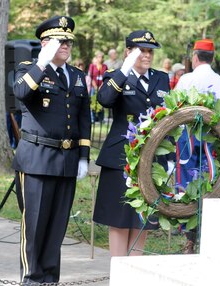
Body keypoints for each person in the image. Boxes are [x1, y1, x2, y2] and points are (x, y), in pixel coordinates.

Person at [12, 15, 91, 284]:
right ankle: (32, 279)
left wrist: (83, 157)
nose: (66, 46)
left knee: (57, 227)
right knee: (35, 226)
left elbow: (84, 119)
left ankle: (49, 278)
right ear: (45, 44)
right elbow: (21, 93)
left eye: (68, 41)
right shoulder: (29, 69)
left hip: (66, 161)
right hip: (36, 159)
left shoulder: (77, 76)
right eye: (59, 42)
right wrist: (42, 61)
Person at [93, 30, 170, 256]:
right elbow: (104, 100)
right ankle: (119, 271)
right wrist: (124, 69)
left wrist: (171, 157)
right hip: (120, 156)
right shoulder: (115, 76)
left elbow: (169, 116)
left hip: (152, 157)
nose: (147, 56)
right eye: (141, 51)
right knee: (119, 217)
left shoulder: (161, 78)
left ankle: (133, 273)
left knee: (142, 217)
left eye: (150, 51)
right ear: (128, 52)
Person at [174, 39, 220, 254]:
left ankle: (187, 229)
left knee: (186, 180)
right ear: (212, 58)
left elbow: (174, 105)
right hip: (211, 137)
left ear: (195, 57)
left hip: (188, 136)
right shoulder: (219, 81)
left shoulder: (187, 78)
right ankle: (203, 226)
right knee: (208, 180)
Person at [88, 51, 108, 122]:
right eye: (99, 57)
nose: (100, 59)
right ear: (96, 58)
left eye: (102, 57)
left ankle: (101, 119)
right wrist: (95, 86)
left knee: (101, 103)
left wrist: (101, 86)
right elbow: (91, 76)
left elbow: (106, 77)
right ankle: (92, 118)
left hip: (102, 87)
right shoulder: (92, 66)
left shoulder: (105, 66)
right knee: (93, 102)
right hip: (94, 87)